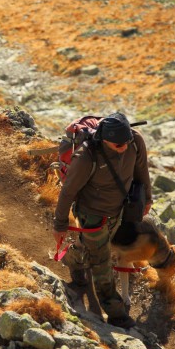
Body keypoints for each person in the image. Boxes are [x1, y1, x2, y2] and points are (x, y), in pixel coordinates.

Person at [53, 112, 153, 328]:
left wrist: (147, 199)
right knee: (102, 262)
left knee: (98, 248)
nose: (124, 147)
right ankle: (116, 313)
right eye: (118, 145)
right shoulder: (86, 156)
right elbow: (68, 192)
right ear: (104, 140)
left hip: (120, 210)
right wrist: (60, 224)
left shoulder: (134, 141)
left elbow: (141, 170)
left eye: (126, 142)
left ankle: (74, 257)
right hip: (92, 214)